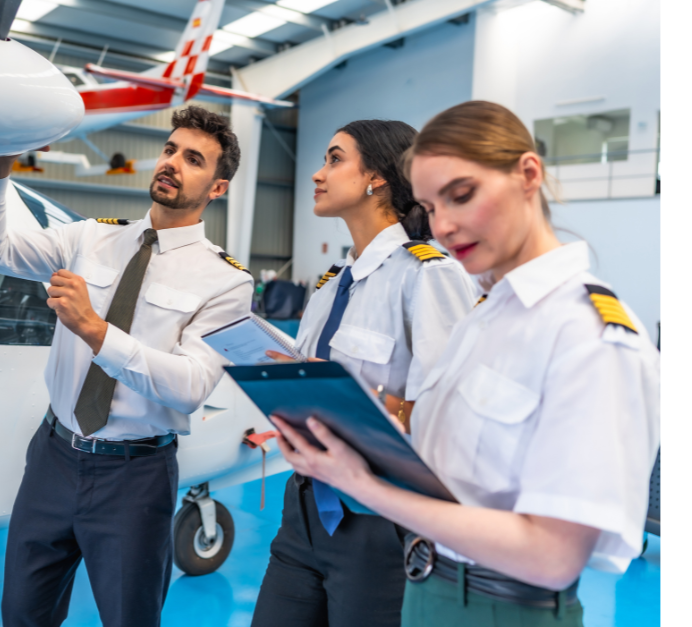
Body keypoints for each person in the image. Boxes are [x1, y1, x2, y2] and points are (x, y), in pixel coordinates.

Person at [270, 101, 660, 627]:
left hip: (502, 607)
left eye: (461, 195)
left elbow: (553, 557)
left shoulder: (588, 334)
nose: (445, 225)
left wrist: (366, 487)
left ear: (528, 174)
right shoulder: (487, 317)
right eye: (431, 206)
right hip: (428, 587)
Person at [0, 105, 254, 627]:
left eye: (193, 159)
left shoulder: (226, 281)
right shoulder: (89, 238)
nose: (172, 163)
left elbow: (190, 385)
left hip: (134, 476)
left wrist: (95, 330)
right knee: (22, 614)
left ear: (218, 187)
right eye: (170, 150)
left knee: (129, 617)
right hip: (53, 457)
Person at [252, 120, 477, 627]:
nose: (317, 174)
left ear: (376, 177)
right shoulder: (333, 285)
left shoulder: (428, 275)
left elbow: (450, 411)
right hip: (303, 505)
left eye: (334, 159)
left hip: (377, 520)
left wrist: (348, 394)